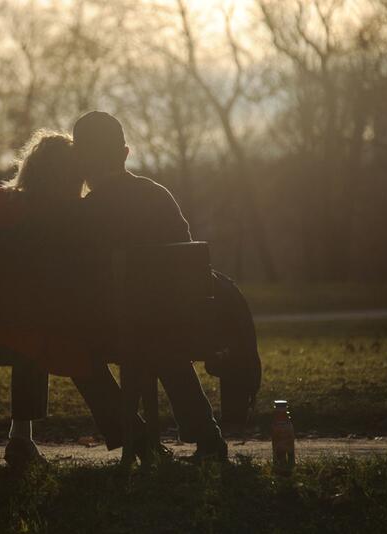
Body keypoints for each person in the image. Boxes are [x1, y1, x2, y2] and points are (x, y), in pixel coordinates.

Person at [0, 130, 128, 468]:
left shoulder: (5, 200)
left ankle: (21, 439)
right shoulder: (70, 213)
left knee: (40, 338)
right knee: (67, 347)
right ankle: (130, 435)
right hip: (41, 325)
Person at [71, 111, 228, 461]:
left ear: (80, 160)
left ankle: (138, 440)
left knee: (74, 354)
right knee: (161, 338)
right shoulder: (157, 196)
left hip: (107, 332)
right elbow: (191, 267)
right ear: (125, 154)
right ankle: (206, 436)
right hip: (174, 326)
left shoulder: (82, 214)